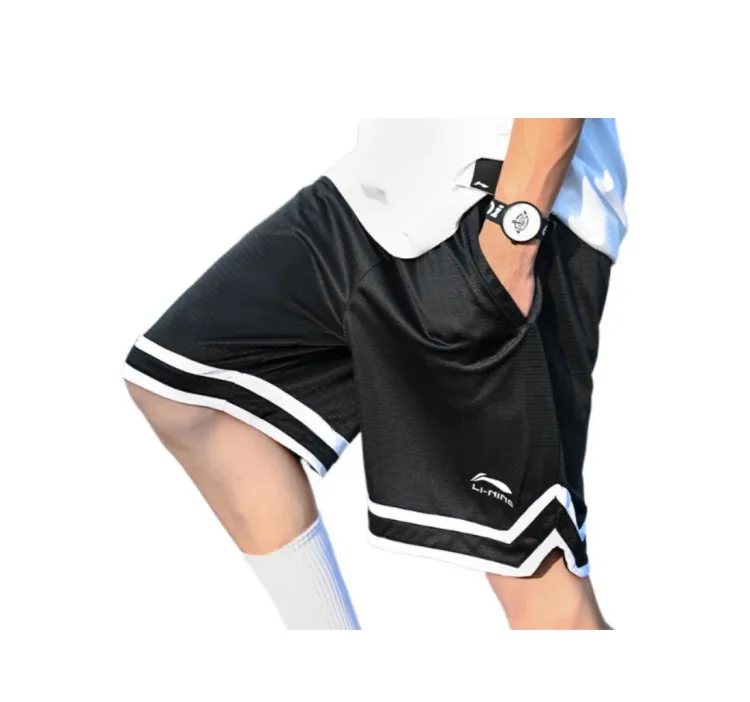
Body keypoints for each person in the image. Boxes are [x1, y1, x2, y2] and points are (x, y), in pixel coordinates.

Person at [122, 118, 627, 630]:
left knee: (540, 586)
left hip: (493, 199)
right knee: (183, 383)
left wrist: (513, 230)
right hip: (378, 187)